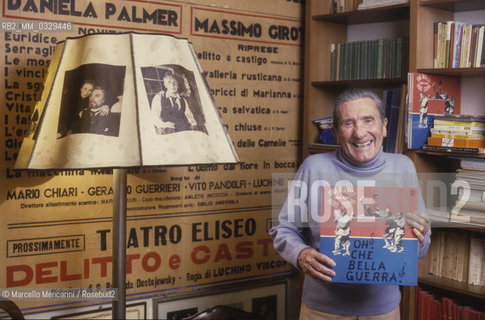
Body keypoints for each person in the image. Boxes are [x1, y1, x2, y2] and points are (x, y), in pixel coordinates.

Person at [270, 88, 431, 319]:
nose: (359, 133)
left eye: (368, 121)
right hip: (322, 310)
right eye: (348, 123)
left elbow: (420, 248)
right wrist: (301, 254)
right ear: (335, 132)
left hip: (383, 310)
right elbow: (284, 228)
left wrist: (420, 235)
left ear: (384, 126)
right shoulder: (313, 167)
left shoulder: (403, 167)